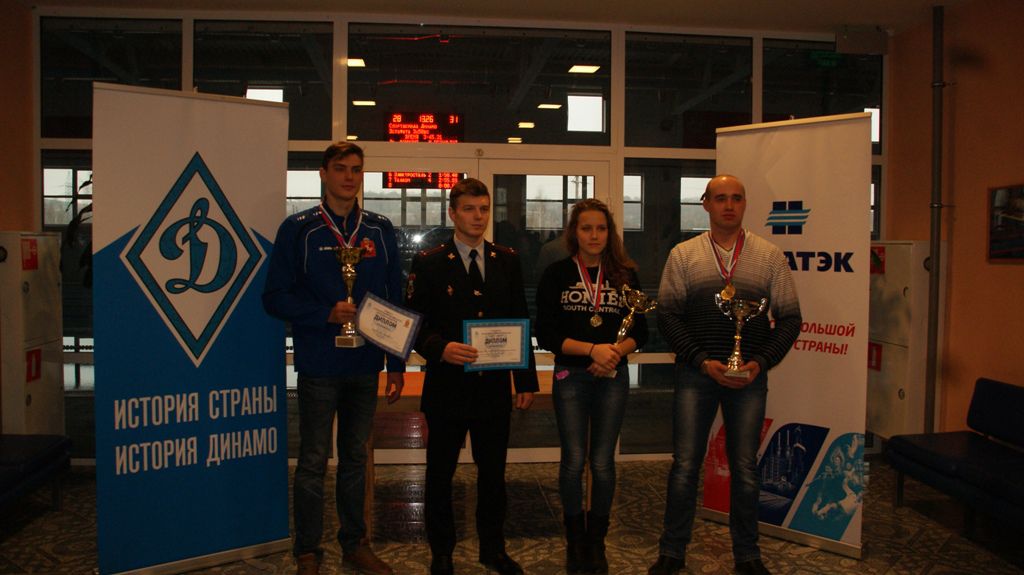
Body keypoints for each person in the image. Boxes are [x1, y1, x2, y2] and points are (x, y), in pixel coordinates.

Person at [263, 142, 404, 575]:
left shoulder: (379, 229)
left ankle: (354, 544)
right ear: (323, 173)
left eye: (356, 170)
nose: (348, 177)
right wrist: (324, 313)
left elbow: (394, 299)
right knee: (313, 460)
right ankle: (307, 550)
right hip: (319, 363)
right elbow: (273, 297)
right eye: (340, 168)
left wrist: (396, 365)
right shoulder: (299, 229)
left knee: (356, 459)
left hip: (365, 364)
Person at [649, 175, 801, 575]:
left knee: (745, 469)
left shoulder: (769, 256)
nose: (729, 205)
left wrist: (760, 362)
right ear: (706, 204)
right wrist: (701, 360)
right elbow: (667, 316)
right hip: (695, 375)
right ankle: (672, 551)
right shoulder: (684, 255)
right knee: (685, 466)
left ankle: (747, 555)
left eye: (736, 198)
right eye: (720, 198)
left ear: (745, 204)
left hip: (748, 378)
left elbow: (790, 319)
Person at [405, 178, 539, 575]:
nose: (478, 216)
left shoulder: (506, 259)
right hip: (447, 387)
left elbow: (520, 319)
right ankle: (442, 551)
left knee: (493, 475)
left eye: (483, 209)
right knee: (440, 474)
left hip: (493, 388)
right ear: (452, 213)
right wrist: (439, 348)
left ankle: (493, 550)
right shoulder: (430, 262)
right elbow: (414, 324)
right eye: (469, 209)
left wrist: (525, 380)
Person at [535, 198, 648, 574]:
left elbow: (641, 331)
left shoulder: (625, 275)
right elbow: (547, 334)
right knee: (572, 461)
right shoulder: (556, 274)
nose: (594, 235)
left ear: (609, 233)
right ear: (574, 233)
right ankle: (575, 539)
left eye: (601, 228)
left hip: (612, 376)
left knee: (601, 462)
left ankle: (596, 540)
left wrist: (612, 354)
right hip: (571, 376)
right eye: (586, 228)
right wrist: (592, 350)